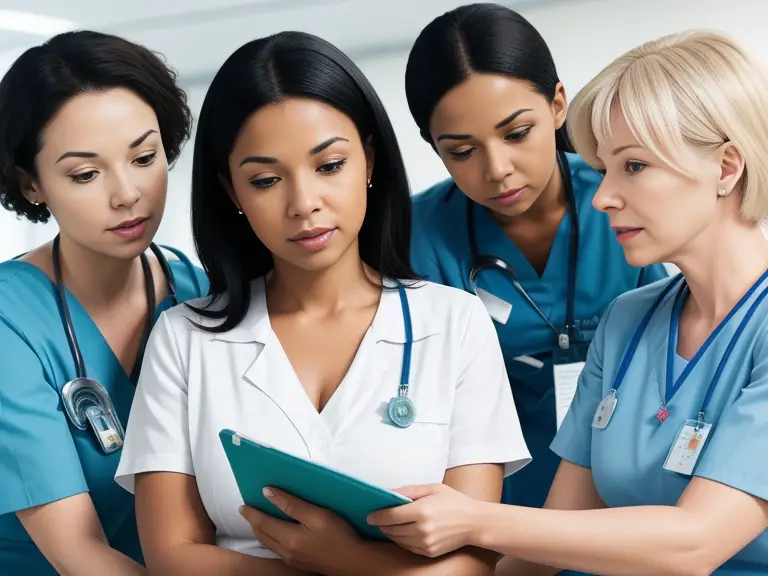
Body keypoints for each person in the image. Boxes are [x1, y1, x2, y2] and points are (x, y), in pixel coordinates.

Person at [113, 30, 531, 576]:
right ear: (232, 193)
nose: (304, 204)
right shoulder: (184, 338)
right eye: (265, 180)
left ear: (370, 160)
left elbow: (475, 560)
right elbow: (172, 557)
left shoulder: (454, 323)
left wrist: (343, 560)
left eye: (329, 166)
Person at [367, 29, 768, 575]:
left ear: (725, 167)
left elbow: (694, 544)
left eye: (633, 166)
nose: (601, 196)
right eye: (602, 169)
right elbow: (542, 555)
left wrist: (472, 520)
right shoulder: (629, 321)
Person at [404, 2, 669, 510]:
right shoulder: (417, 239)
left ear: (557, 105)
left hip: (632, 493)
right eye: (462, 151)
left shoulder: (625, 200)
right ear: (433, 146)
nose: (497, 169)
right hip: (495, 506)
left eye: (517, 133)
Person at [0, 30, 209, 575]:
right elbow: (79, 554)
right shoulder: (9, 322)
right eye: (85, 174)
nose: (127, 193)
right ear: (32, 185)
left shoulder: (205, 295)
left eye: (144, 156)